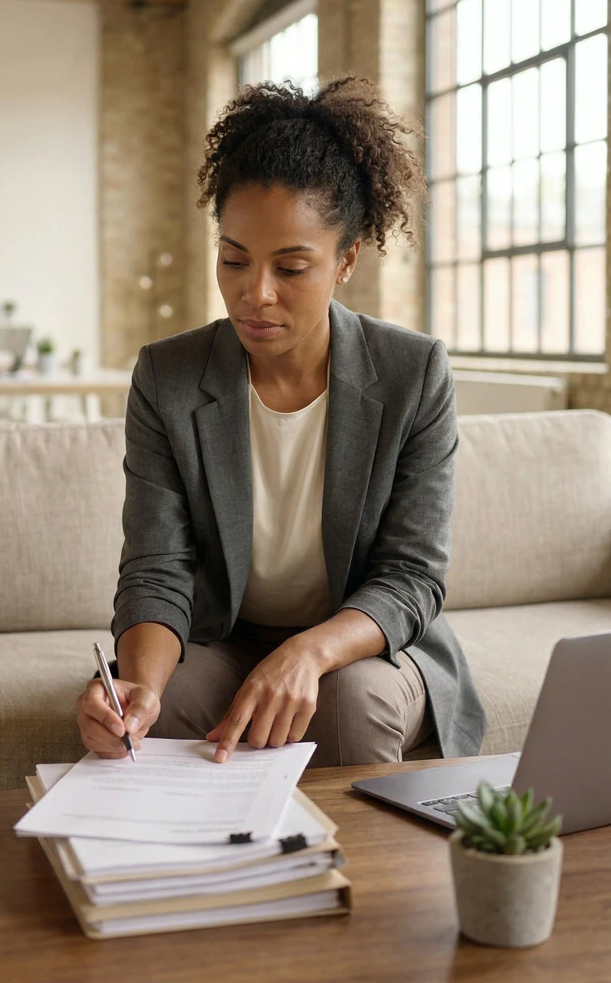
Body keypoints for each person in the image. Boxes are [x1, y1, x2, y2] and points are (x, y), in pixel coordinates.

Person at [77, 77, 487, 767]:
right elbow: (157, 568)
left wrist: (309, 650)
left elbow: (412, 576)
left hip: (359, 644)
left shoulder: (412, 375)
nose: (254, 293)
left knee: (350, 705)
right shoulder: (168, 378)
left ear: (346, 260)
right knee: (151, 717)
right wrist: (138, 687)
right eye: (233, 259)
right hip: (227, 636)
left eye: (291, 267)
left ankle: (361, 877)